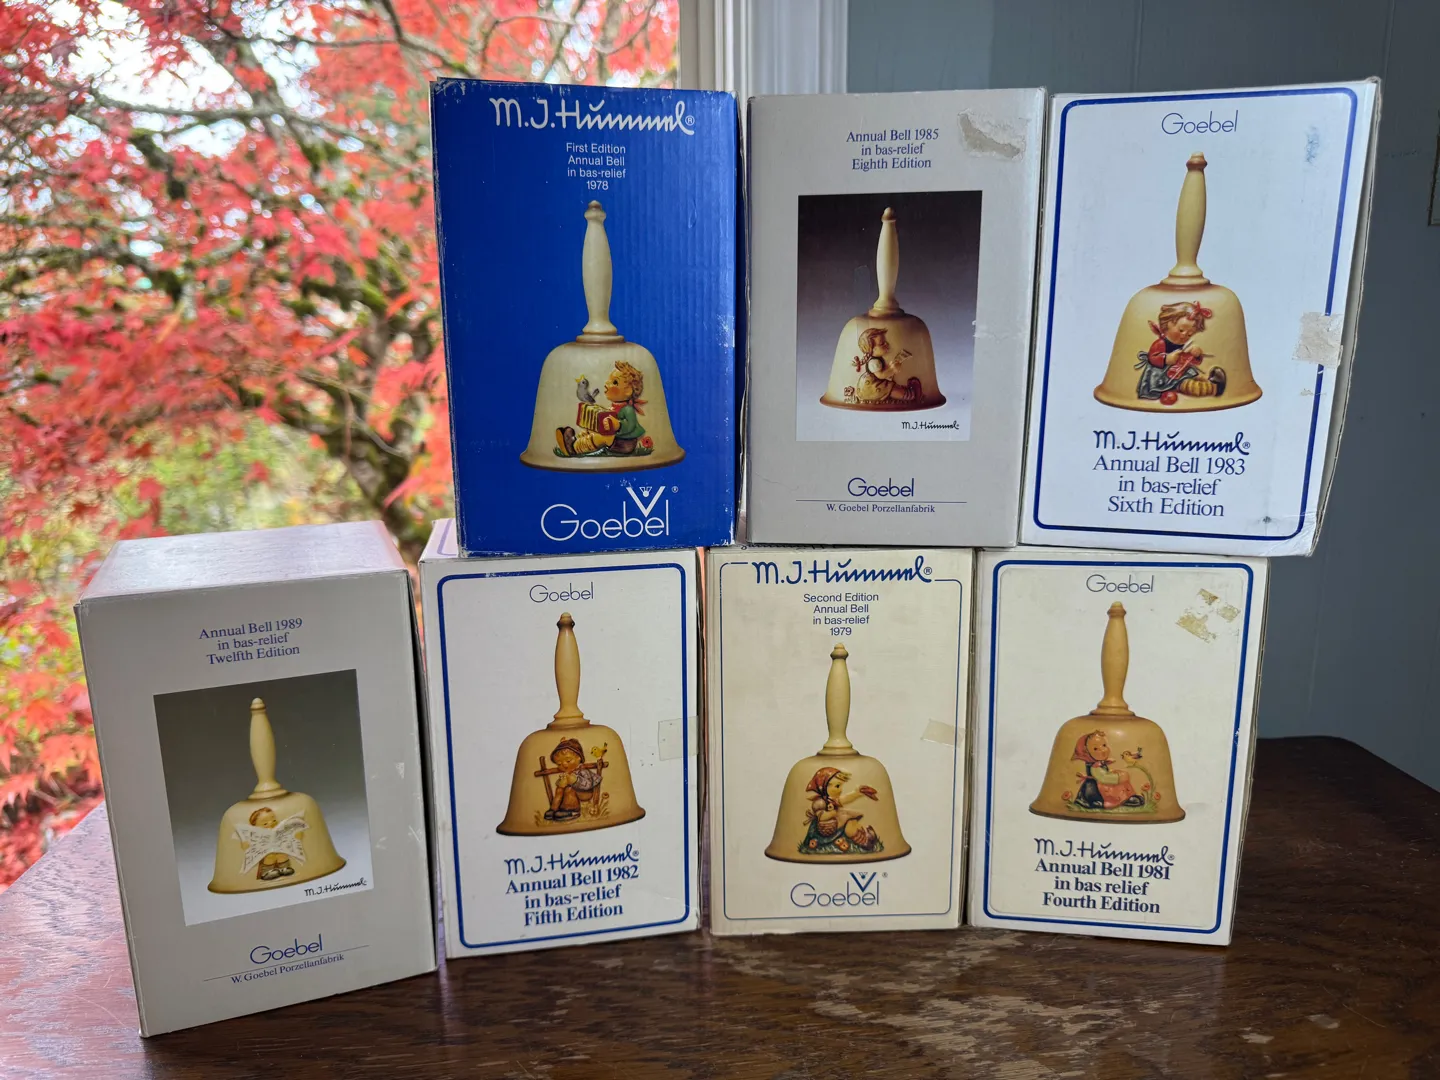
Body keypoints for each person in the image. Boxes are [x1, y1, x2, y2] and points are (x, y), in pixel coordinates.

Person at [556, 361, 652, 457]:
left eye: (615, 382)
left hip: (624, 443)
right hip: (615, 439)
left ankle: (575, 448)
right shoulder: (614, 406)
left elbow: (630, 425)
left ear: (628, 391)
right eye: (609, 380)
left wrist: (618, 425)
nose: (607, 383)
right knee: (593, 429)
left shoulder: (628, 410)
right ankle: (575, 439)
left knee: (600, 437)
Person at [1135, 300, 1225, 401]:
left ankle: (1211, 385)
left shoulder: (1182, 344)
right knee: (1187, 385)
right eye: (1181, 330)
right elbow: (1152, 358)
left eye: (1189, 334)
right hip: (1160, 377)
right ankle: (1213, 388)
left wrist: (1195, 355)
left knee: (1192, 378)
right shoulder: (1161, 343)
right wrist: (1166, 359)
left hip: (1178, 372)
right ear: (1167, 324)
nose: (1184, 335)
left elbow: (1188, 360)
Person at [799, 766, 883, 855]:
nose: (841, 790)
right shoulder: (820, 802)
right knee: (849, 825)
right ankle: (864, 842)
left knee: (852, 821)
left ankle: (864, 835)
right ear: (825, 786)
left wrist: (857, 793)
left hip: (837, 822)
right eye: (837, 786)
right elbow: (821, 817)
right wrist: (831, 813)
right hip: (826, 828)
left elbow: (845, 799)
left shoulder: (832, 800)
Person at [1071, 731, 1145, 811]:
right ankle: (1106, 801)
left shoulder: (1099, 763)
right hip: (1095, 789)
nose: (1103, 750)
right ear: (1086, 753)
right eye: (1096, 749)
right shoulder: (1094, 766)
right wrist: (1118, 778)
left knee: (1118, 784)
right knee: (1115, 786)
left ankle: (1125, 798)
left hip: (1101, 783)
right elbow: (1103, 777)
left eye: (1104, 745)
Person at [849, 327, 923, 406]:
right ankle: (912, 395)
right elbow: (881, 375)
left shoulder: (877, 360)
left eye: (885, 342)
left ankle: (909, 392)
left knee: (893, 388)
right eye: (882, 344)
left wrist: (890, 367)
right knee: (894, 390)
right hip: (874, 386)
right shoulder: (873, 363)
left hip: (879, 383)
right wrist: (892, 370)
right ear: (872, 350)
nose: (886, 344)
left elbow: (882, 369)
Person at [244, 806, 298, 880]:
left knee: (282, 854)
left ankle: (284, 868)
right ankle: (267, 872)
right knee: (270, 856)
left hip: (278, 849)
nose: (271, 823)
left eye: (274, 820)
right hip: (266, 852)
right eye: (265, 824)